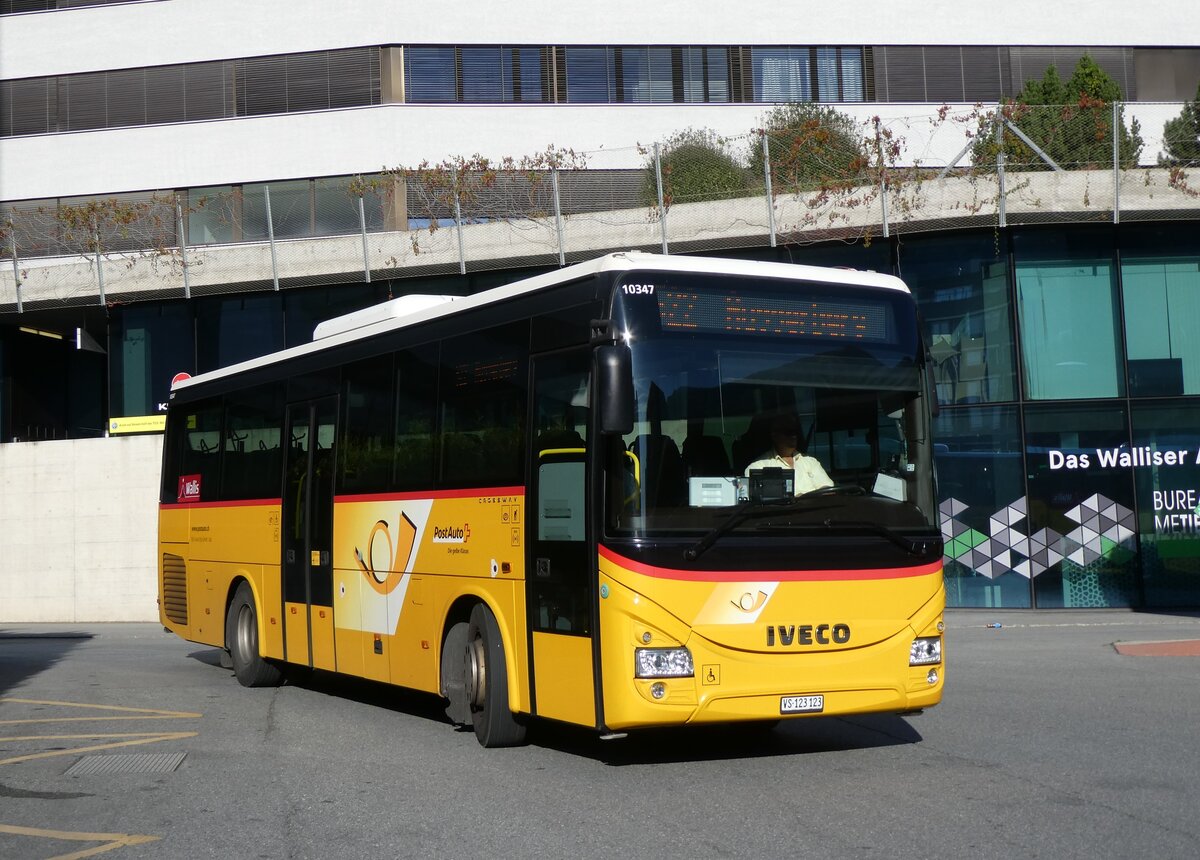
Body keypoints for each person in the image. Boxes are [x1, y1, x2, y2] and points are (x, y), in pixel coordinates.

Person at [743, 413, 833, 495]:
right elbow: (760, 505)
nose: (793, 436)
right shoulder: (757, 468)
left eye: (795, 432)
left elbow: (828, 490)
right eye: (788, 432)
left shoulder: (811, 462)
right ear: (774, 435)